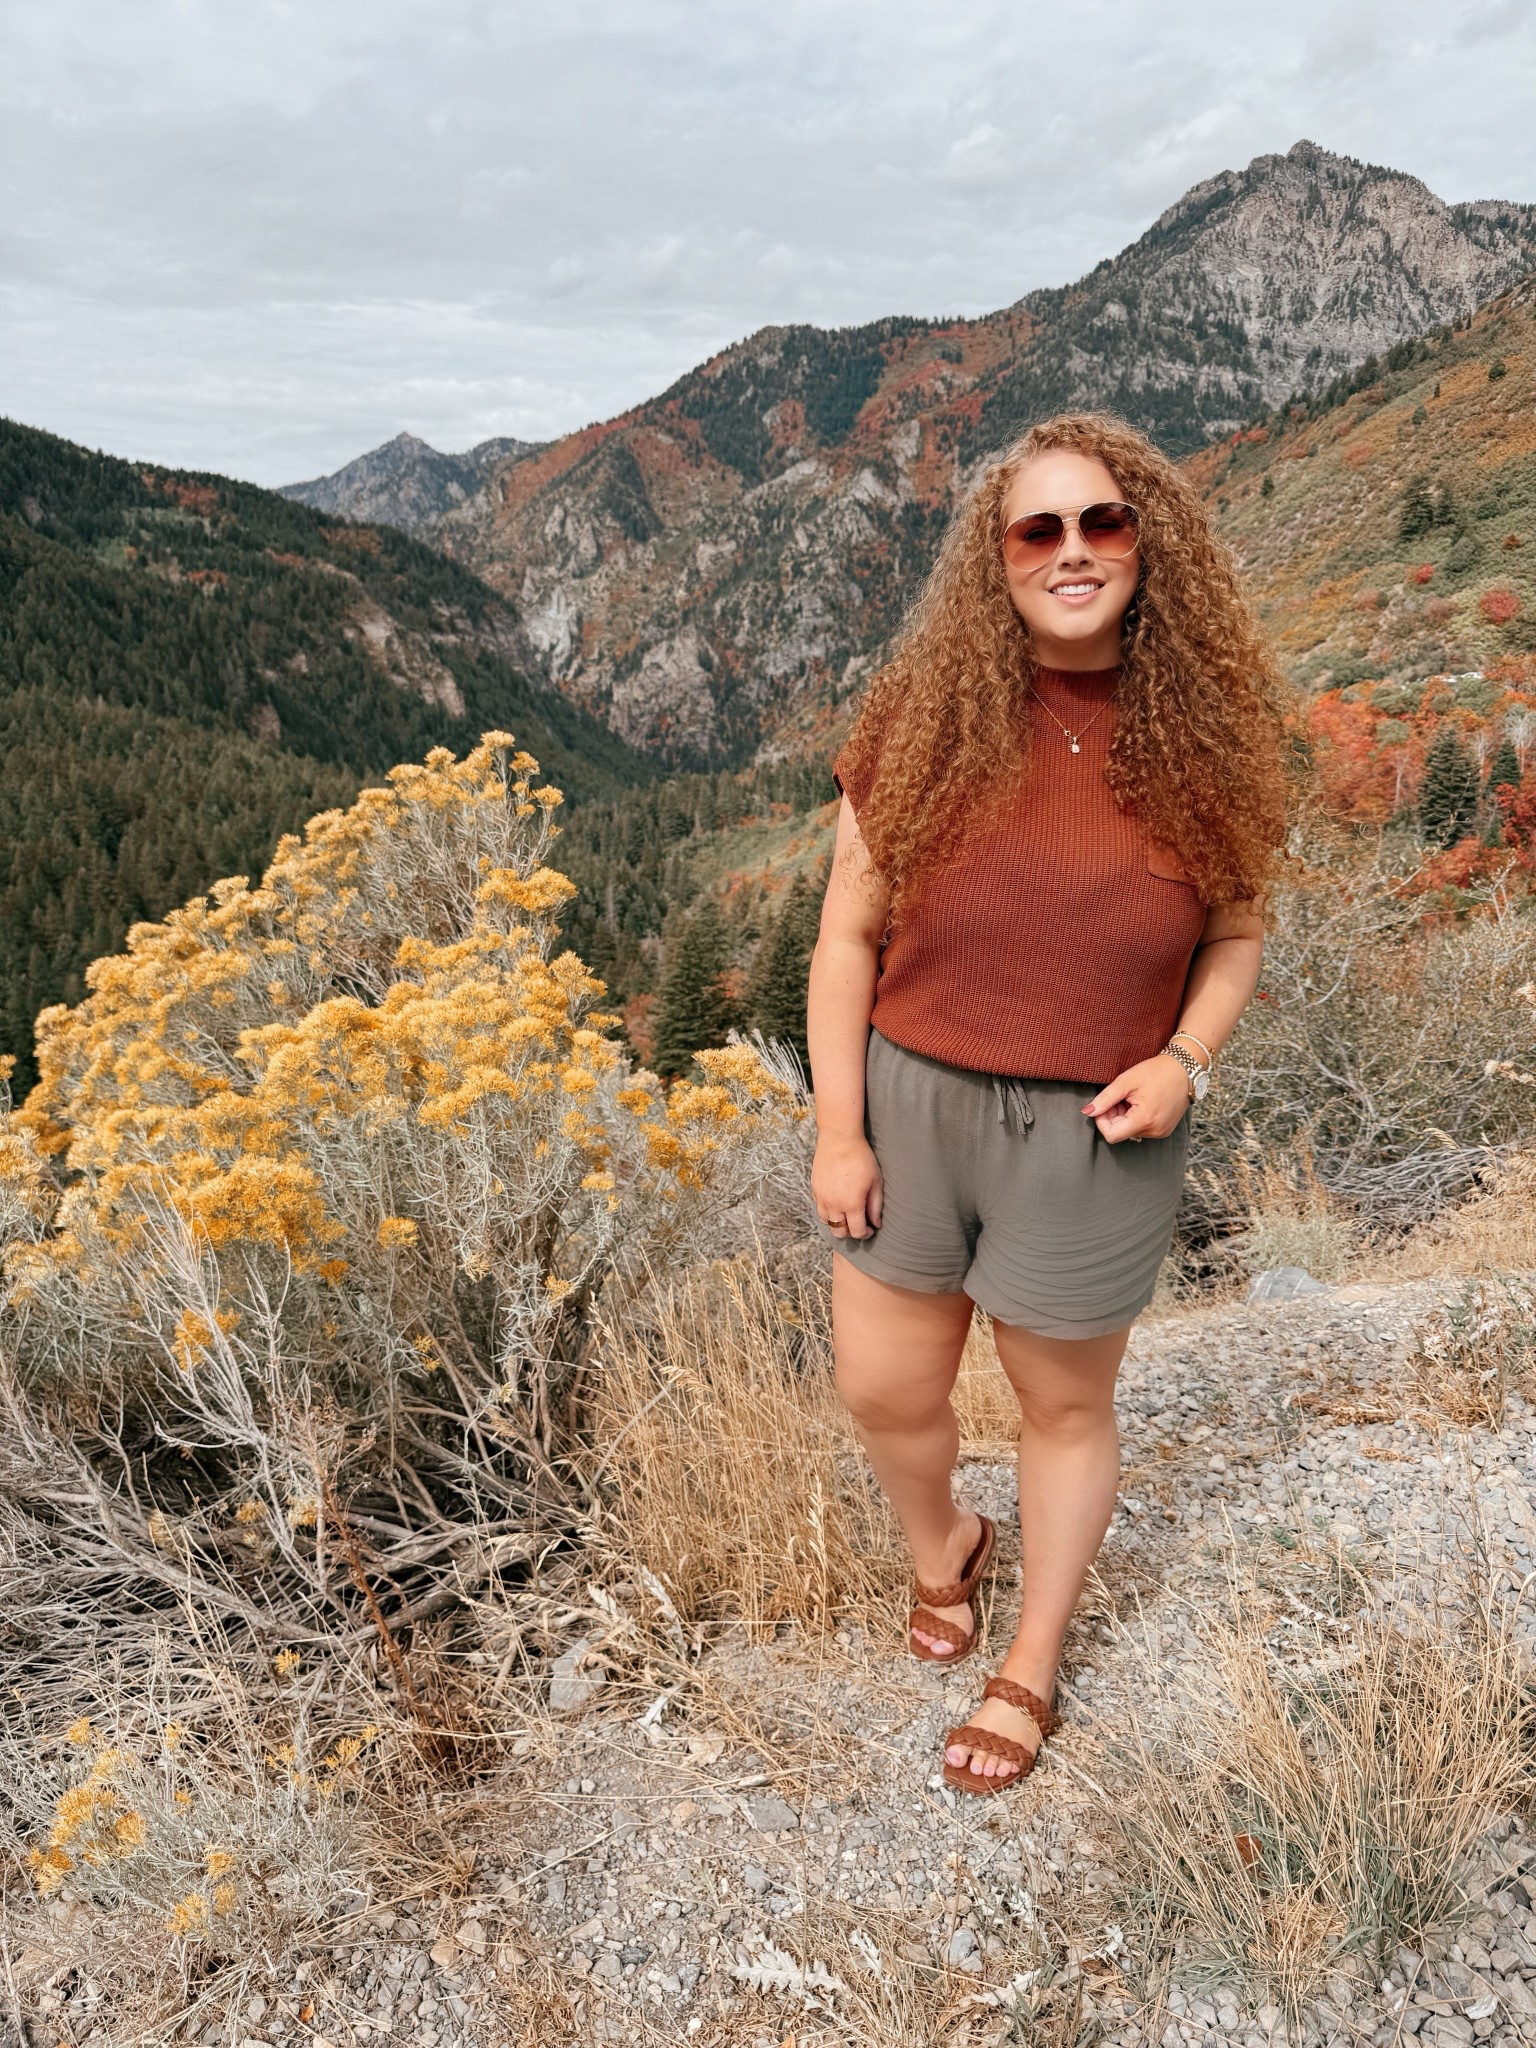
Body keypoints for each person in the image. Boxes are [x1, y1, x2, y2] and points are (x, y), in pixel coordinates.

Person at [805, 410, 1291, 1796]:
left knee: (1060, 1409)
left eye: (1102, 523)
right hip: (911, 1102)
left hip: (1096, 1132)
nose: (1073, 552)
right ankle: (943, 1545)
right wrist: (840, 1129)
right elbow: (846, 940)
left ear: (1148, 543)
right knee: (885, 1391)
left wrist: (1187, 1058)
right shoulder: (923, 719)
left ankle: (1031, 1656)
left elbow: (1235, 934)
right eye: (1040, 529)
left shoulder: (1210, 736)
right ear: (997, 559)